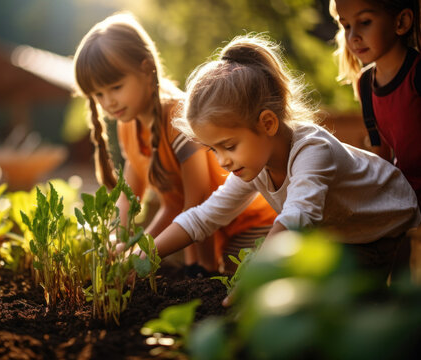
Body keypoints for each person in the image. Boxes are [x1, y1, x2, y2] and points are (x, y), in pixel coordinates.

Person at [152, 34, 420, 289]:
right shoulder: (255, 164)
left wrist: (252, 279)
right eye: (213, 150)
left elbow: (297, 217)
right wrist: (144, 258)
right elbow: (204, 217)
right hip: (346, 231)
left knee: (356, 310)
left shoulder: (312, 150)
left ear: (267, 123)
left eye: (229, 146)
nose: (222, 160)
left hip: (386, 222)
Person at [73, 13, 277, 276]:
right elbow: (130, 196)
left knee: (242, 281)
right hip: (203, 229)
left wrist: (150, 251)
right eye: (99, 94)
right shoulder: (129, 126)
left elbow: (197, 199)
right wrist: (118, 241)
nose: (108, 101)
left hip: (246, 223)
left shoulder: (179, 118)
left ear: (146, 70)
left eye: (116, 87)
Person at [329, 0, 421, 206]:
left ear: (401, 22)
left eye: (365, 22)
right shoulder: (365, 84)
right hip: (405, 196)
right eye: (347, 26)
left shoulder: (416, 75)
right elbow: (382, 159)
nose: (353, 37)